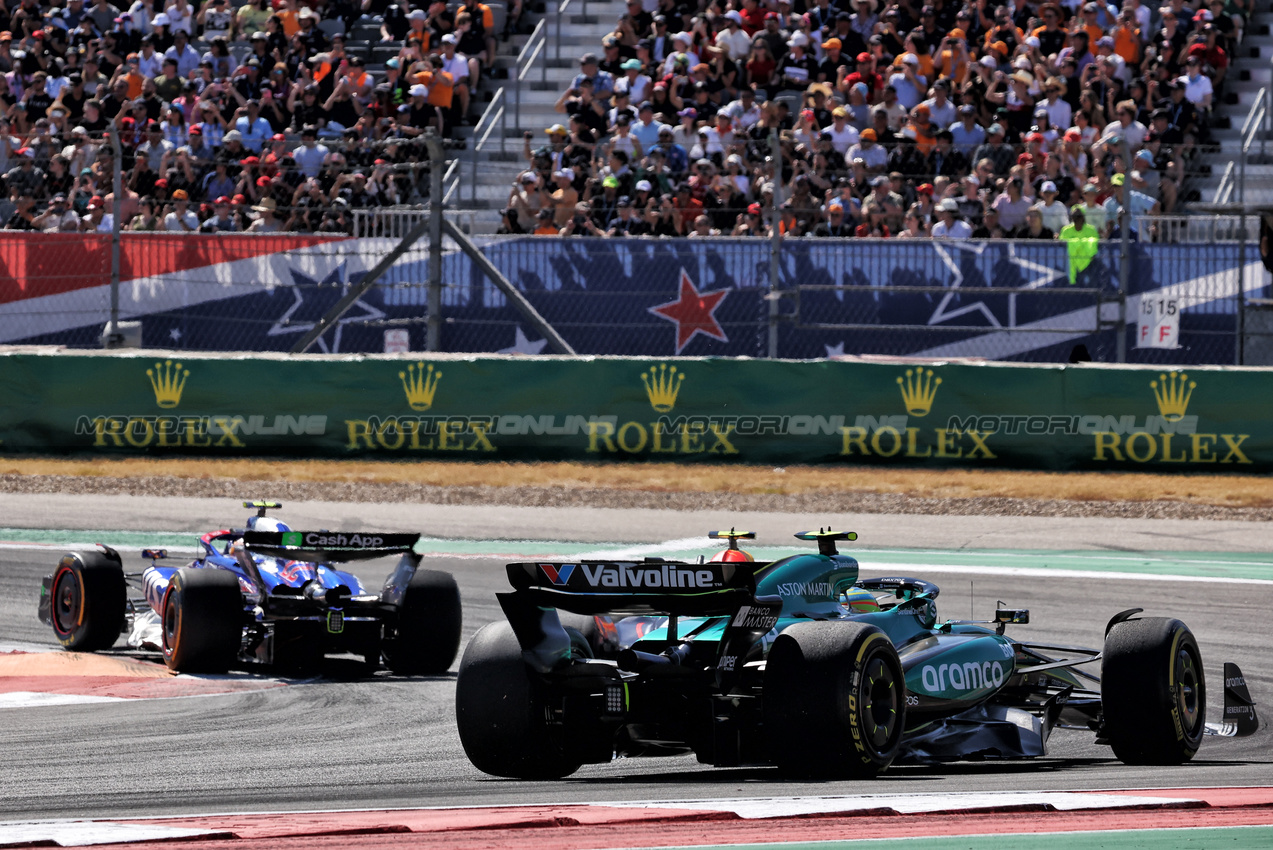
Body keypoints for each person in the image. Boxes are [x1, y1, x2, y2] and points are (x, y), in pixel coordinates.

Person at [1058, 206, 1100, 284]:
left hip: (1089, 262)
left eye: (1079, 216)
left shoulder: (1091, 230)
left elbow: (1095, 245)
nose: (1077, 218)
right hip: (1070, 262)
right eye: (1075, 216)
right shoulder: (1066, 230)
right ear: (1071, 217)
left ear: (1083, 217)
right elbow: (1062, 246)